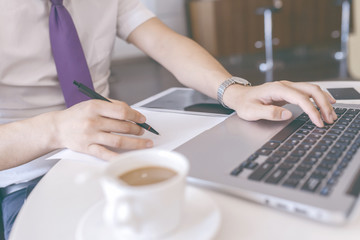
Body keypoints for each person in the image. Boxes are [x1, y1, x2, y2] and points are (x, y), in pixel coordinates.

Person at [0, 0, 336, 239]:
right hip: (29, 173)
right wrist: (55, 129)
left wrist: (233, 92)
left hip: (117, 147)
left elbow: (164, 41)